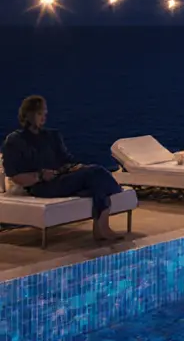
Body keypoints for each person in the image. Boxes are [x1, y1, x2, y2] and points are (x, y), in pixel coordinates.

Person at [2, 95, 127, 241]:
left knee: (95, 179)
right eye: (39, 113)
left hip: (61, 178)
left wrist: (75, 167)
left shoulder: (52, 136)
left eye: (44, 113)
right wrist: (40, 176)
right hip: (42, 186)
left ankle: (102, 228)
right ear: (28, 115)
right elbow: (15, 176)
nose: (43, 117)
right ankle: (102, 228)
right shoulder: (15, 141)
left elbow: (66, 160)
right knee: (96, 174)